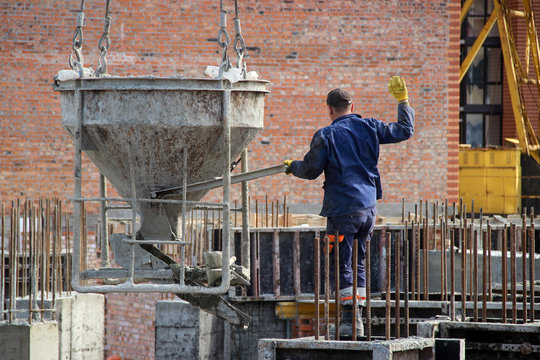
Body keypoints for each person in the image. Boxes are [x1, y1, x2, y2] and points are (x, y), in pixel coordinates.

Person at [283, 76, 414, 337]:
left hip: (342, 210)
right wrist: (403, 101)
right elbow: (405, 130)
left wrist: (292, 166)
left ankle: (350, 321)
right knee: (360, 261)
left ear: (330, 109)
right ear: (352, 106)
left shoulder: (326, 135)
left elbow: (310, 170)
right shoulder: (370, 127)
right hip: (368, 209)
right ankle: (358, 317)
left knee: (343, 262)